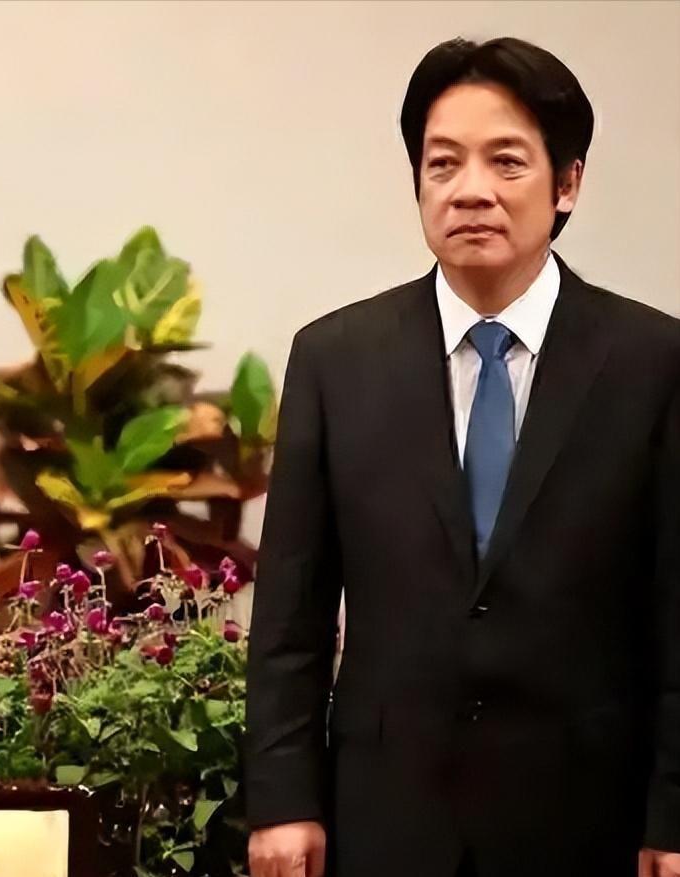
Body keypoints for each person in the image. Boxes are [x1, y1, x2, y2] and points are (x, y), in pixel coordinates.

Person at [244, 37, 679, 877]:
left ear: (567, 183)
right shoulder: (336, 359)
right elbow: (290, 614)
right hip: (387, 815)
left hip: (588, 816)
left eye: (505, 161)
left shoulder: (652, 363)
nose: (469, 189)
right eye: (441, 163)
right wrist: (283, 801)